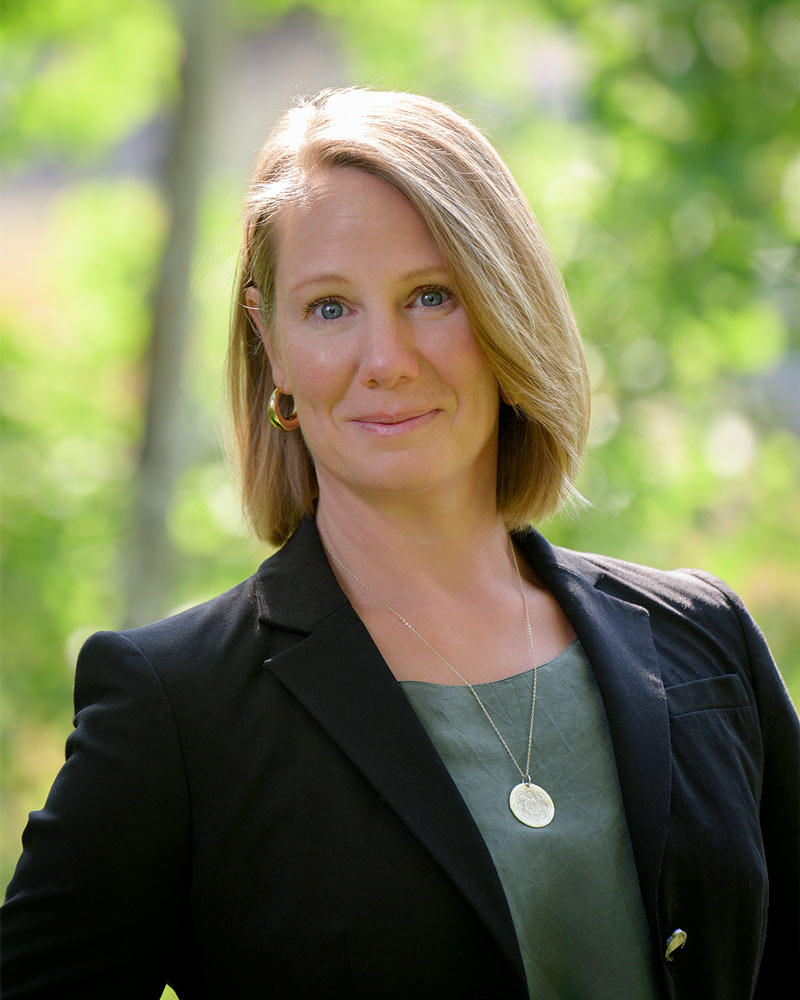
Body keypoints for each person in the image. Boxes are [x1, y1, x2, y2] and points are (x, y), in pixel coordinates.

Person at [1, 87, 798, 1000]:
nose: (385, 358)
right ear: (273, 347)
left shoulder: (706, 640)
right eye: (330, 308)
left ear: (509, 308)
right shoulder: (174, 713)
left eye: (431, 296)